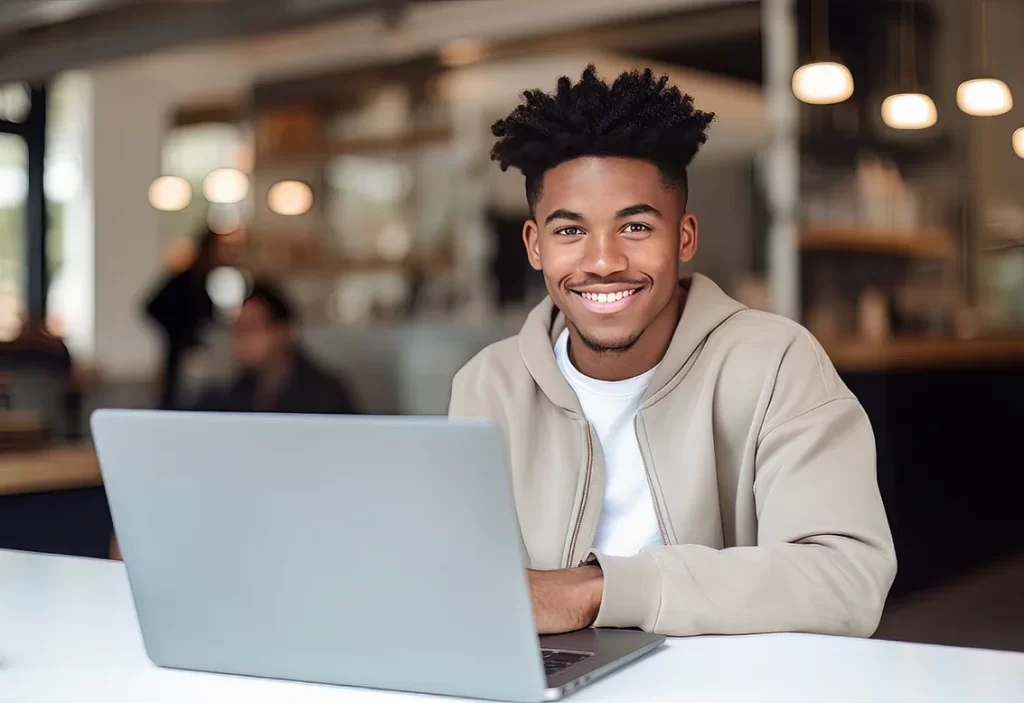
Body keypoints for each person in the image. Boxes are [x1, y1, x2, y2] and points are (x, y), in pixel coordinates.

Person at [448, 66, 896, 638]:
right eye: (569, 232)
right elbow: (462, 578)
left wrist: (600, 591)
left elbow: (846, 578)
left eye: (635, 227)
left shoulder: (775, 362)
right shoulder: (488, 385)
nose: (603, 261)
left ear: (684, 237)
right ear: (535, 246)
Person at [192, 281, 360, 415]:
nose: (239, 338)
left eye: (250, 327)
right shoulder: (232, 391)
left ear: (283, 332)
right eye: (236, 329)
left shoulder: (325, 395)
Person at [144, 228, 222, 409]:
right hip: (182, 360)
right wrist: (179, 335)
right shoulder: (185, 280)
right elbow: (151, 307)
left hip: (197, 360)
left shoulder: (202, 281)